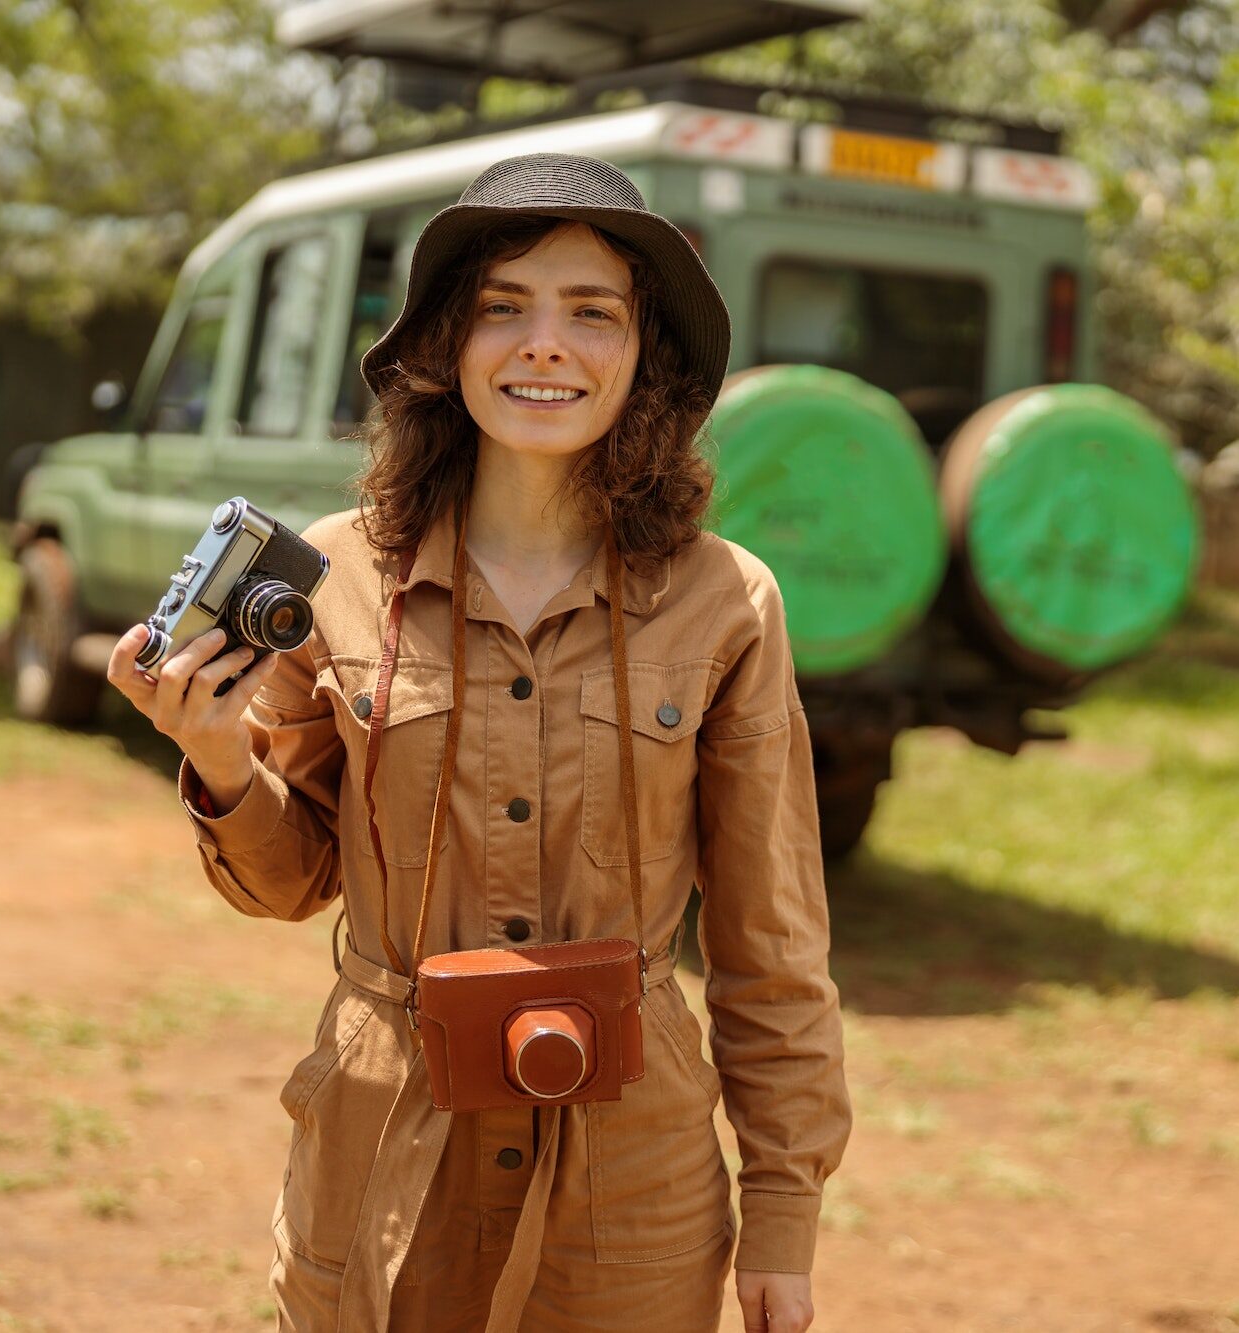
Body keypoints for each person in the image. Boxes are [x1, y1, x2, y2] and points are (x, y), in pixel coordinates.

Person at [108, 153, 852, 1333]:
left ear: (644, 356)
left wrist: (781, 1212)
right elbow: (293, 880)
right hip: (383, 1154)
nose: (543, 345)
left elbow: (773, 938)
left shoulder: (725, 601)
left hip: (630, 1184)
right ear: (449, 343)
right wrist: (219, 761)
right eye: (504, 306)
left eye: (591, 313)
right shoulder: (335, 574)